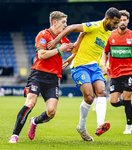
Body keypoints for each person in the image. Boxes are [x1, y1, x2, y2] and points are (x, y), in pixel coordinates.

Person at [9, 11, 84, 143]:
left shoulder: (62, 37)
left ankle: (35, 121)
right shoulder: (43, 35)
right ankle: (15, 135)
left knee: (51, 112)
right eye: (63, 22)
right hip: (38, 75)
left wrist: (81, 36)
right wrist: (60, 49)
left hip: (53, 78)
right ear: (54, 22)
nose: (66, 25)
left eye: (66, 22)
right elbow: (42, 55)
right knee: (30, 102)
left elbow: (74, 49)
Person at [48, 7, 121, 141]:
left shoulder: (108, 33)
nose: (116, 26)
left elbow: (83, 39)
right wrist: (54, 41)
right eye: (114, 23)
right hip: (80, 67)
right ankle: (81, 127)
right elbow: (70, 28)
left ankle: (100, 124)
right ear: (107, 19)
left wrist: (72, 55)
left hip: (95, 67)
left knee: (102, 92)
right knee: (89, 97)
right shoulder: (94, 26)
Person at [102, 10, 132, 134]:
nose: (122, 22)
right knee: (113, 102)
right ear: (116, 21)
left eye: (124, 20)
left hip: (129, 72)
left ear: (128, 21)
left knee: (127, 98)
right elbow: (105, 52)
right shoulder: (110, 35)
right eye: (120, 20)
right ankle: (127, 104)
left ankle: (129, 126)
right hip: (114, 73)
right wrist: (104, 65)